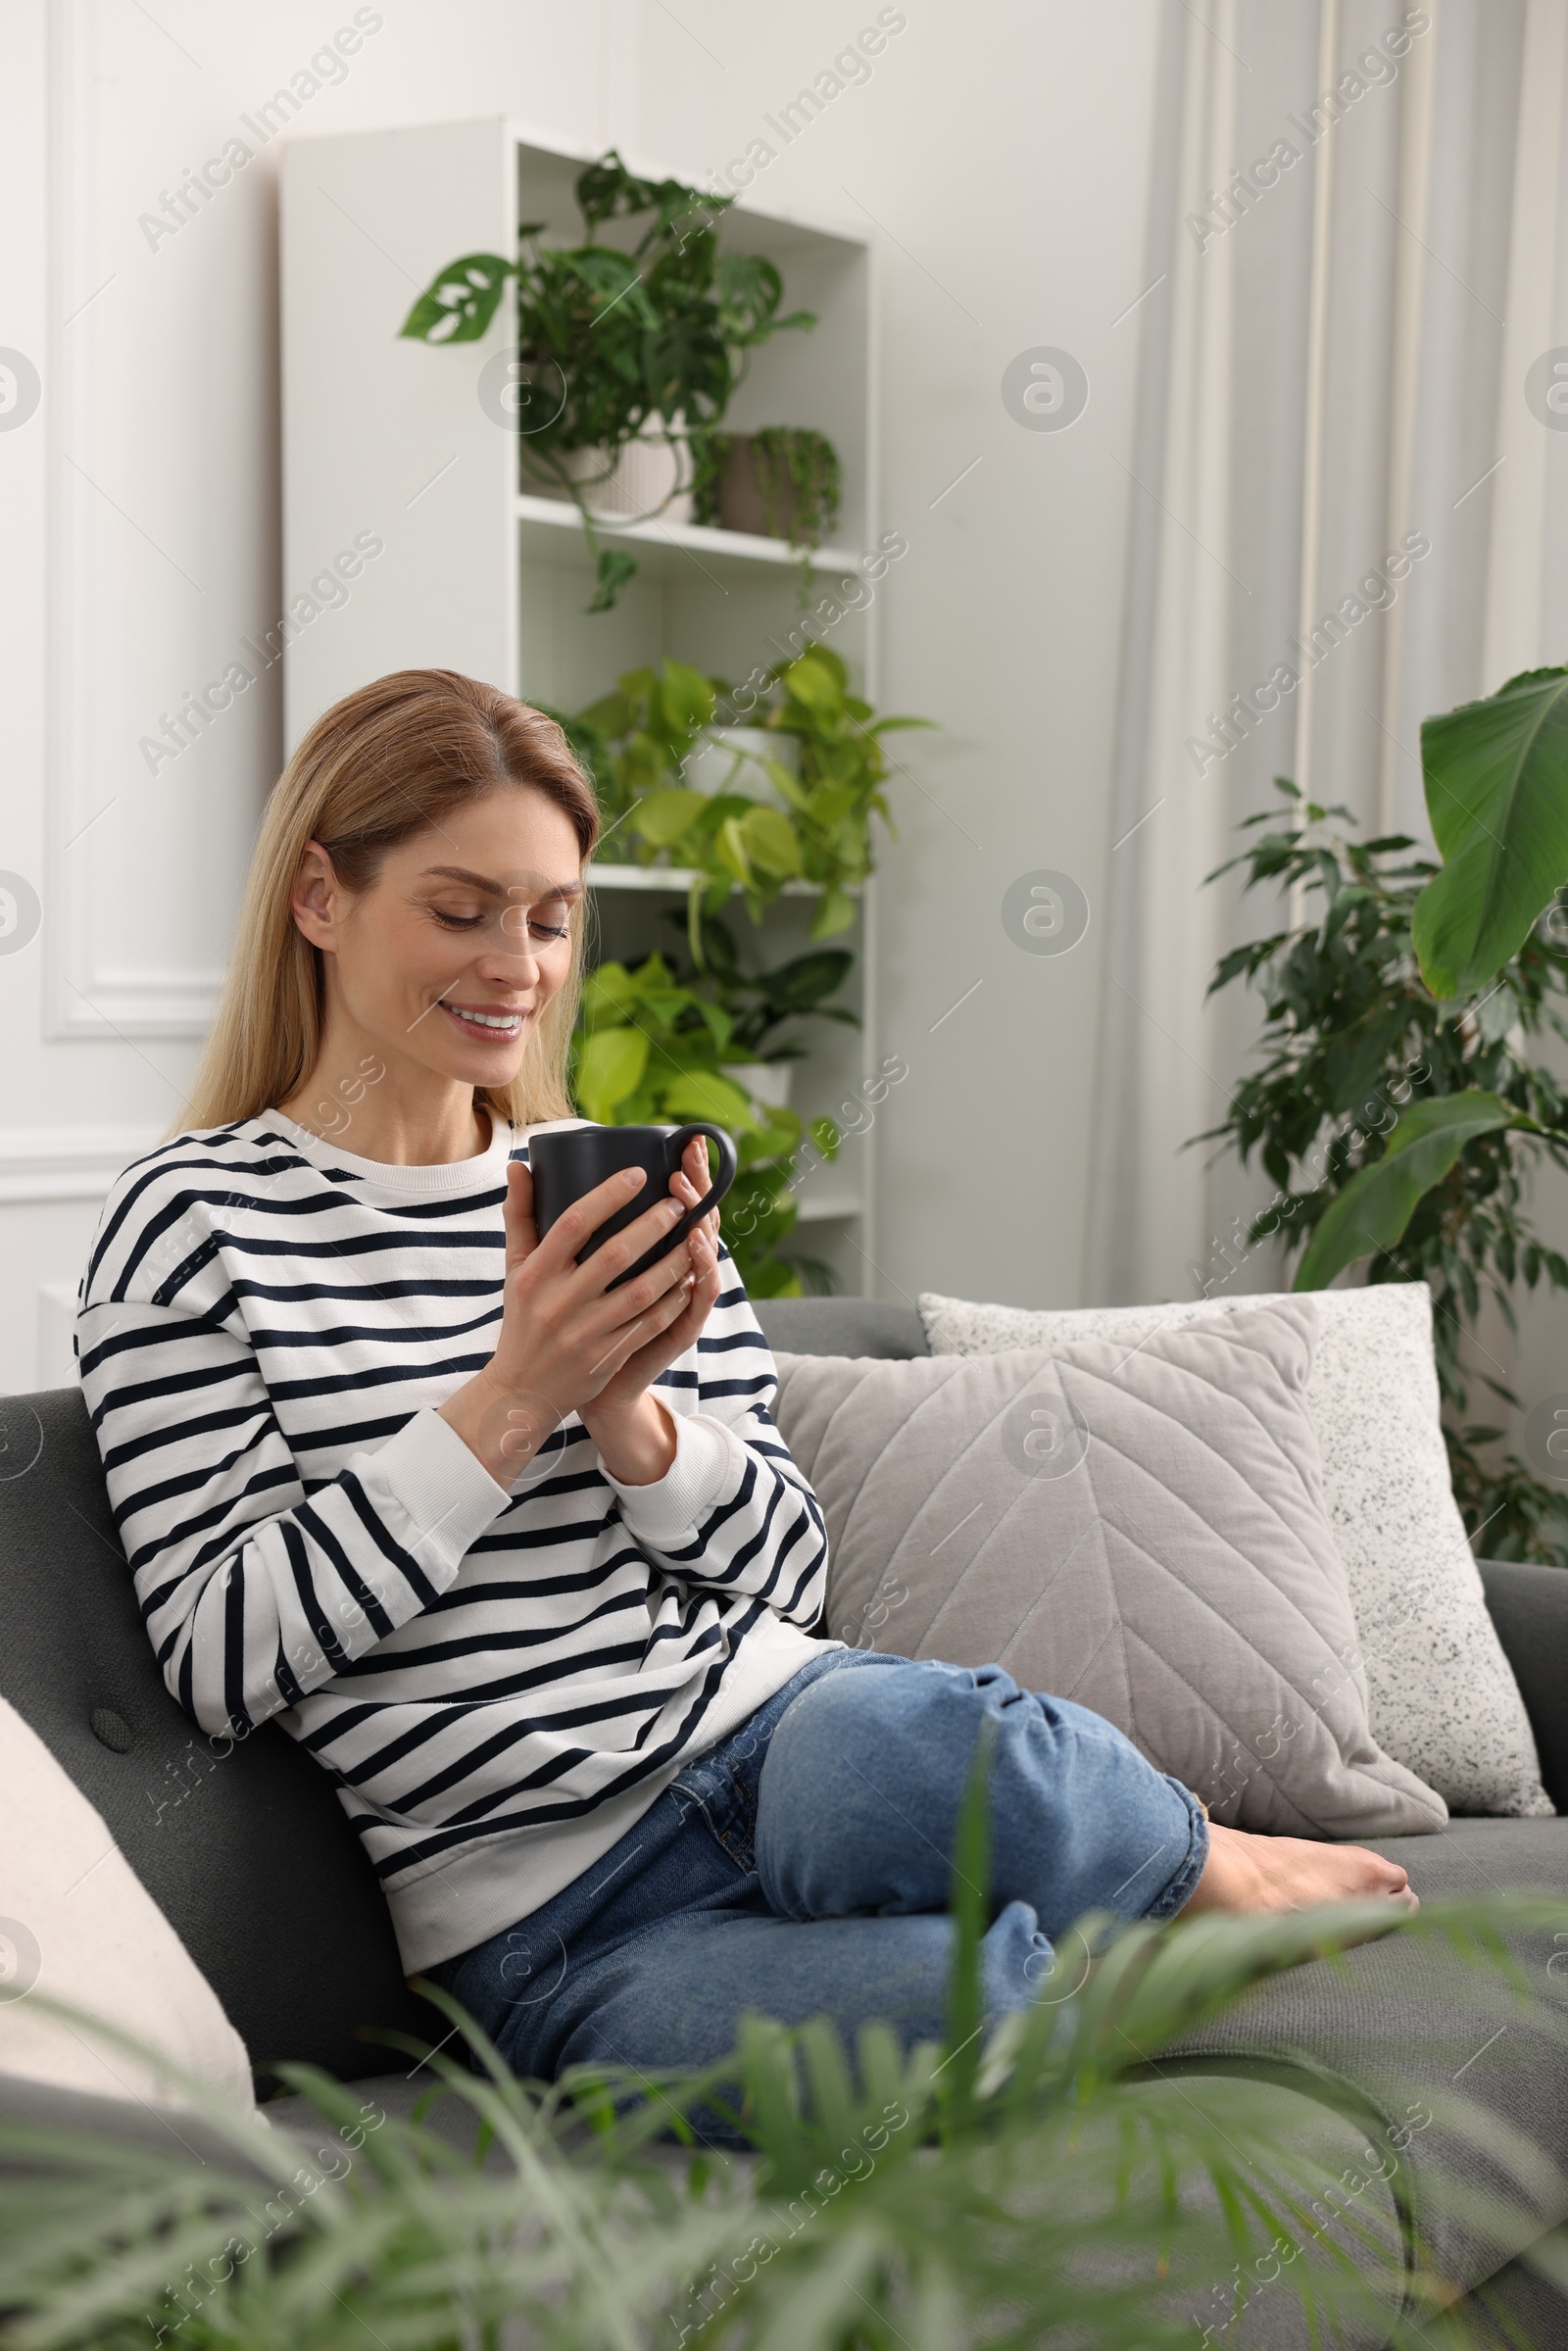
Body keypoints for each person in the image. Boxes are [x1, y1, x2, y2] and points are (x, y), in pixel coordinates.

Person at [77, 669, 1414, 2131]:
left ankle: (1209, 1861)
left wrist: (636, 1424)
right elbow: (221, 1654)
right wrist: (515, 1396)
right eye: (460, 912)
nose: (516, 966)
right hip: (540, 1928)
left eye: (550, 916)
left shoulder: (599, 1178)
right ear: (321, 897)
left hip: (768, 1739)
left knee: (903, 1752)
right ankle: (1104, 1948)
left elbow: (795, 1572)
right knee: (948, 2027)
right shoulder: (192, 1224)